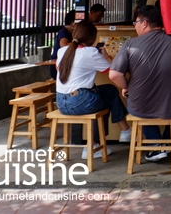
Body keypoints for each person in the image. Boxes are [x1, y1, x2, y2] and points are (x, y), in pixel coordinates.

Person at [109, 5, 171, 162]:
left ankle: (156, 145)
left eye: (135, 22)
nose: (135, 26)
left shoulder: (130, 44)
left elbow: (114, 75)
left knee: (133, 99)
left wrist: (127, 86)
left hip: (140, 105)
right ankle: (168, 142)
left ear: (144, 23)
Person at [55, 21, 131, 159]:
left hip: (61, 102)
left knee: (108, 91)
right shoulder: (90, 52)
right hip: (80, 101)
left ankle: (122, 132)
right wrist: (106, 56)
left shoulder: (62, 51)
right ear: (92, 38)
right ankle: (94, 144)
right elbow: (114, 71)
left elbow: (58, 68)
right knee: (107, 99)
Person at [49, 9, 76, 79]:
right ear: (73, 22)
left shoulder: (71, 33)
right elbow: (64, 45)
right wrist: (78, 42)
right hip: (58, 67)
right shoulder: (64, 32)